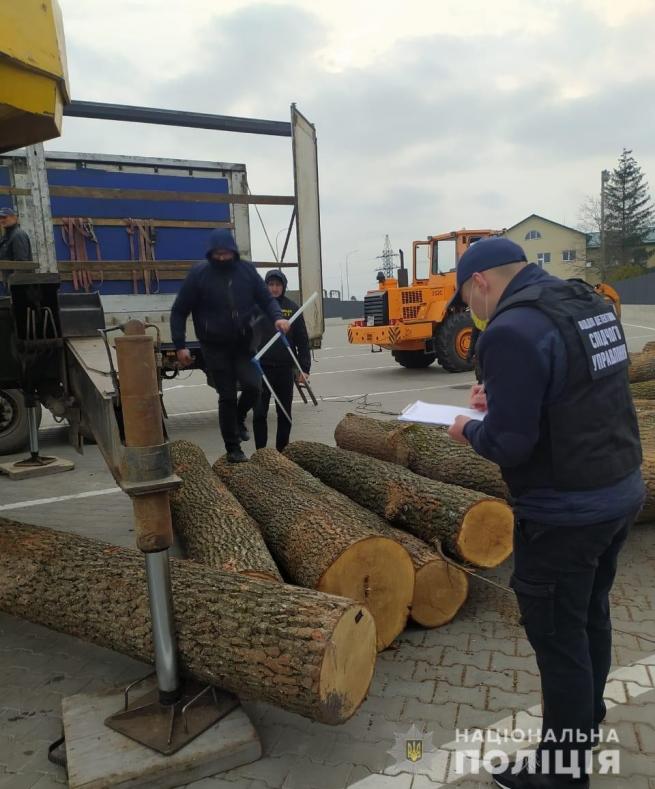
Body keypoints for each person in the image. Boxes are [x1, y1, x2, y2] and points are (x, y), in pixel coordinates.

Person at [446, 237, 645, 789]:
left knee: (558, 637)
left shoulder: (511, 328)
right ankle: (586, 718)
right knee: (589, 612)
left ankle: (564, 771)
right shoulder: (585, 303)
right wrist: (505, 398)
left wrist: (469, 429)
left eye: (467, 300)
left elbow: (510, 445)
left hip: (565, 512)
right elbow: (577, 390)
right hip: (619, 489)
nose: (471, 313)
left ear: (481, 282)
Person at [170, 229, 290, 463]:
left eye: (226, 253)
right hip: (214, 346)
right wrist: (180, 344)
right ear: (211, 253)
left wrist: (277, 316)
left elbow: (265, 299)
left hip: (243, 343)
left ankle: (238, 417)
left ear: (233, 252)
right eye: (218, 254)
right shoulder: (199, 275)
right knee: (226, 396)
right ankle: (233, 448)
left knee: (253, 387)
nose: (223, 258)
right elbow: (179, 310)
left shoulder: (246, 271)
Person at [252, 269, 311, 452]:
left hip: (285, 370)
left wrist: (304, 369)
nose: (274, 288)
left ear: (283, 286)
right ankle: (261, 452)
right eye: (271, 285)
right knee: (259, 413)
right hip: (261, 370)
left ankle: (282, 452)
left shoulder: (292, 308)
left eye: (278, 285)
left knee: (284, 413)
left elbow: (302, 341)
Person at [0, 207, 32, 293]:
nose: (2, 220)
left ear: (14, 218)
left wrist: (14, 284)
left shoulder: (18, 235)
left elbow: (21, 263)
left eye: (5, 217)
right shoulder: (6, 236)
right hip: (11, 282)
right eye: (0, 218)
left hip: (19, 285)